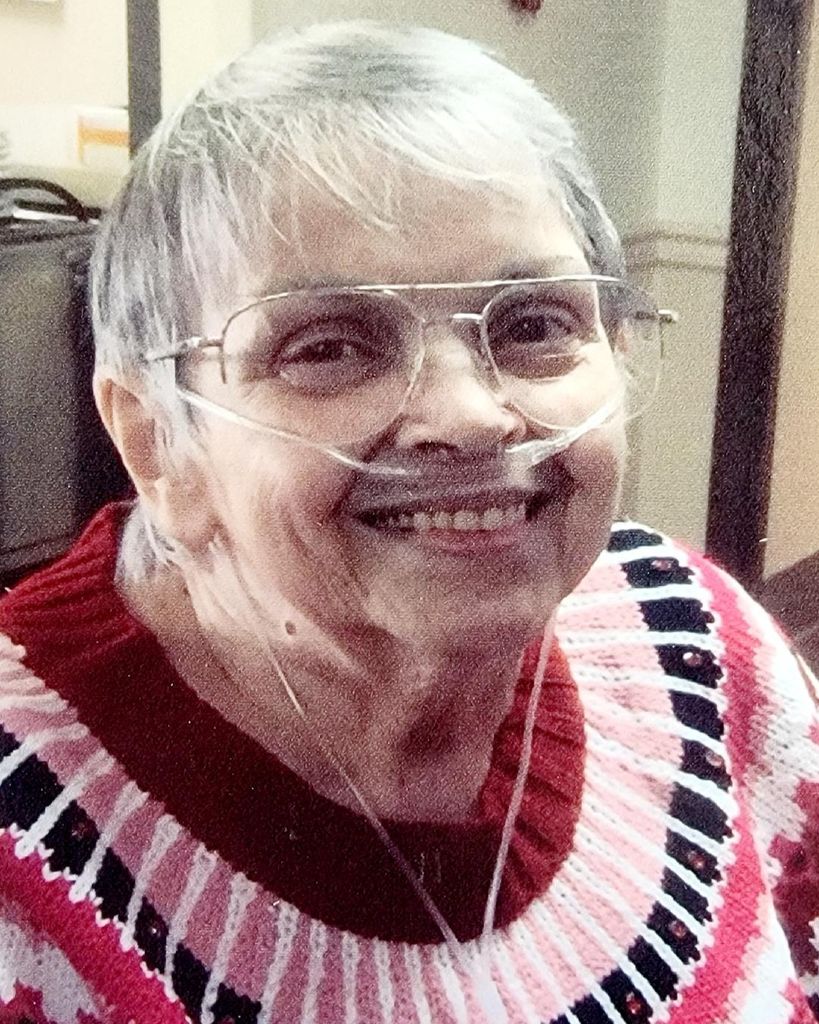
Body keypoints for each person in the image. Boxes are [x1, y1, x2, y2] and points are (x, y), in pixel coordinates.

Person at [0, 21, 817, 1024]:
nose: (470, 416)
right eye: (330, 346)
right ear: (159, 440)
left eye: (535, 325)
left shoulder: (694, 643)